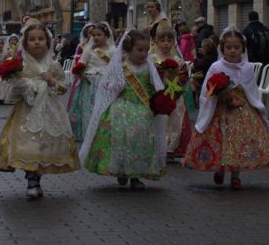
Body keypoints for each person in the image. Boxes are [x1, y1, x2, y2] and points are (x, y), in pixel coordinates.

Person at [183, 27, 269, 189]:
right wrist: (217, 93)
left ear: (243, 48)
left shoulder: (247, 68)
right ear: (222, 48)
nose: (233, 51)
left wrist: (256, 108)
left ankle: (236, 176)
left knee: (239, 142)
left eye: (237, 47)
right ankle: (220, 169)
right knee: (221, 142)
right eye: (229, 47)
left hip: (242, 110)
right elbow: (207, 92)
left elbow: (252, 90)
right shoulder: (216, 67)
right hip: (220, 111)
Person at [0, 19, 80, 199]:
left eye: (41, 38)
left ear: (47, 43)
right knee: (29, 143)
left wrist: (52, 81)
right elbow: (10, 89)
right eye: (32, 39)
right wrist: (23, 84)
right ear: (26, 43)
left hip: (50, 110)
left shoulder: (54, 65)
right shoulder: (20, 65)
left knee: (43, 145)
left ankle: (36, 176)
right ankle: (32, 180)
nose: (37, 42)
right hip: (26, 112)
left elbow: (63, 89)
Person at [81, 30, 167, 190]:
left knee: (140, 142)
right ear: (128, 49)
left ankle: (135, 176)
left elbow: (154, 87)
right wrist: (115, 86)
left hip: (143, 110)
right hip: (120, 110)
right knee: (120, 140)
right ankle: (121, 170)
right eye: (139, 50)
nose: (143, 54)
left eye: (146, 51)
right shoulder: (121, 66)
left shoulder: (149, 68)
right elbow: (106, 86)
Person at [68, 22, 115, 142]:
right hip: (89, 83)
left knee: (103, 110)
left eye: (99, 35)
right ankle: (88, 134)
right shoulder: (89, 49)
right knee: (88, 109)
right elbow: (81, 63)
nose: (96, 37)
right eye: (94, 35)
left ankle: (102, 134)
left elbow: (116, 67)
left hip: (105, 83)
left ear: (106, 36)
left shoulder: (113, 50)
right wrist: (80, 71)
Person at [151, 27, 192, 160]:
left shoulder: (178, 60)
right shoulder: (152, 59)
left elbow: (184, 77)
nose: (166, 43)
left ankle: (172, 149)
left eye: (169, 40)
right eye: (162, 40)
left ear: (174, 42)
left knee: (175, 120)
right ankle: (158, 147)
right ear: (156, 42)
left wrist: (176, 77)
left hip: (175, 95)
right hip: (159, 95)